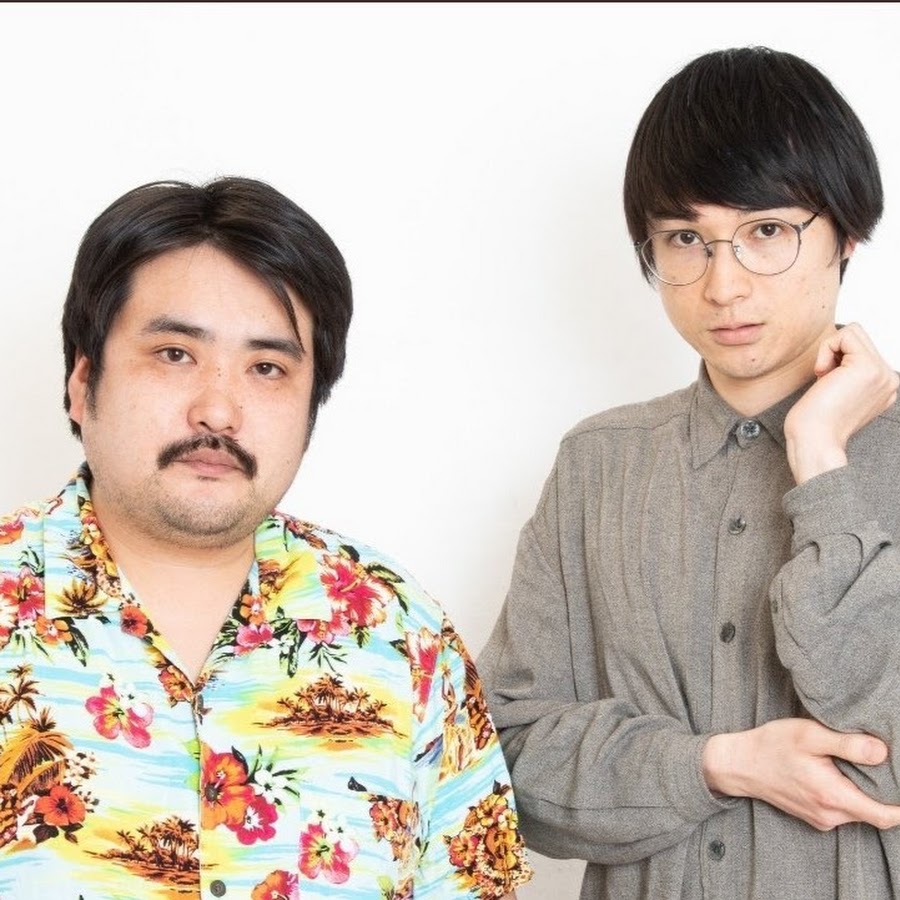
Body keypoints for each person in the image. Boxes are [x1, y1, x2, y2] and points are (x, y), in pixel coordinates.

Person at [0, 177, 532, 899]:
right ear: (82, 380)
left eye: (267, 368)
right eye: (174, 354)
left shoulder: (401, 633)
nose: (218, 410)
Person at [478, 45, 900, 899]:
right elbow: (497, 765)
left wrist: (822, 461)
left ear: (848, 234)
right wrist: (713, 765)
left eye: (767, 232)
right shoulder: (598, 466)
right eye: (685, 240)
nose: (723, 285)